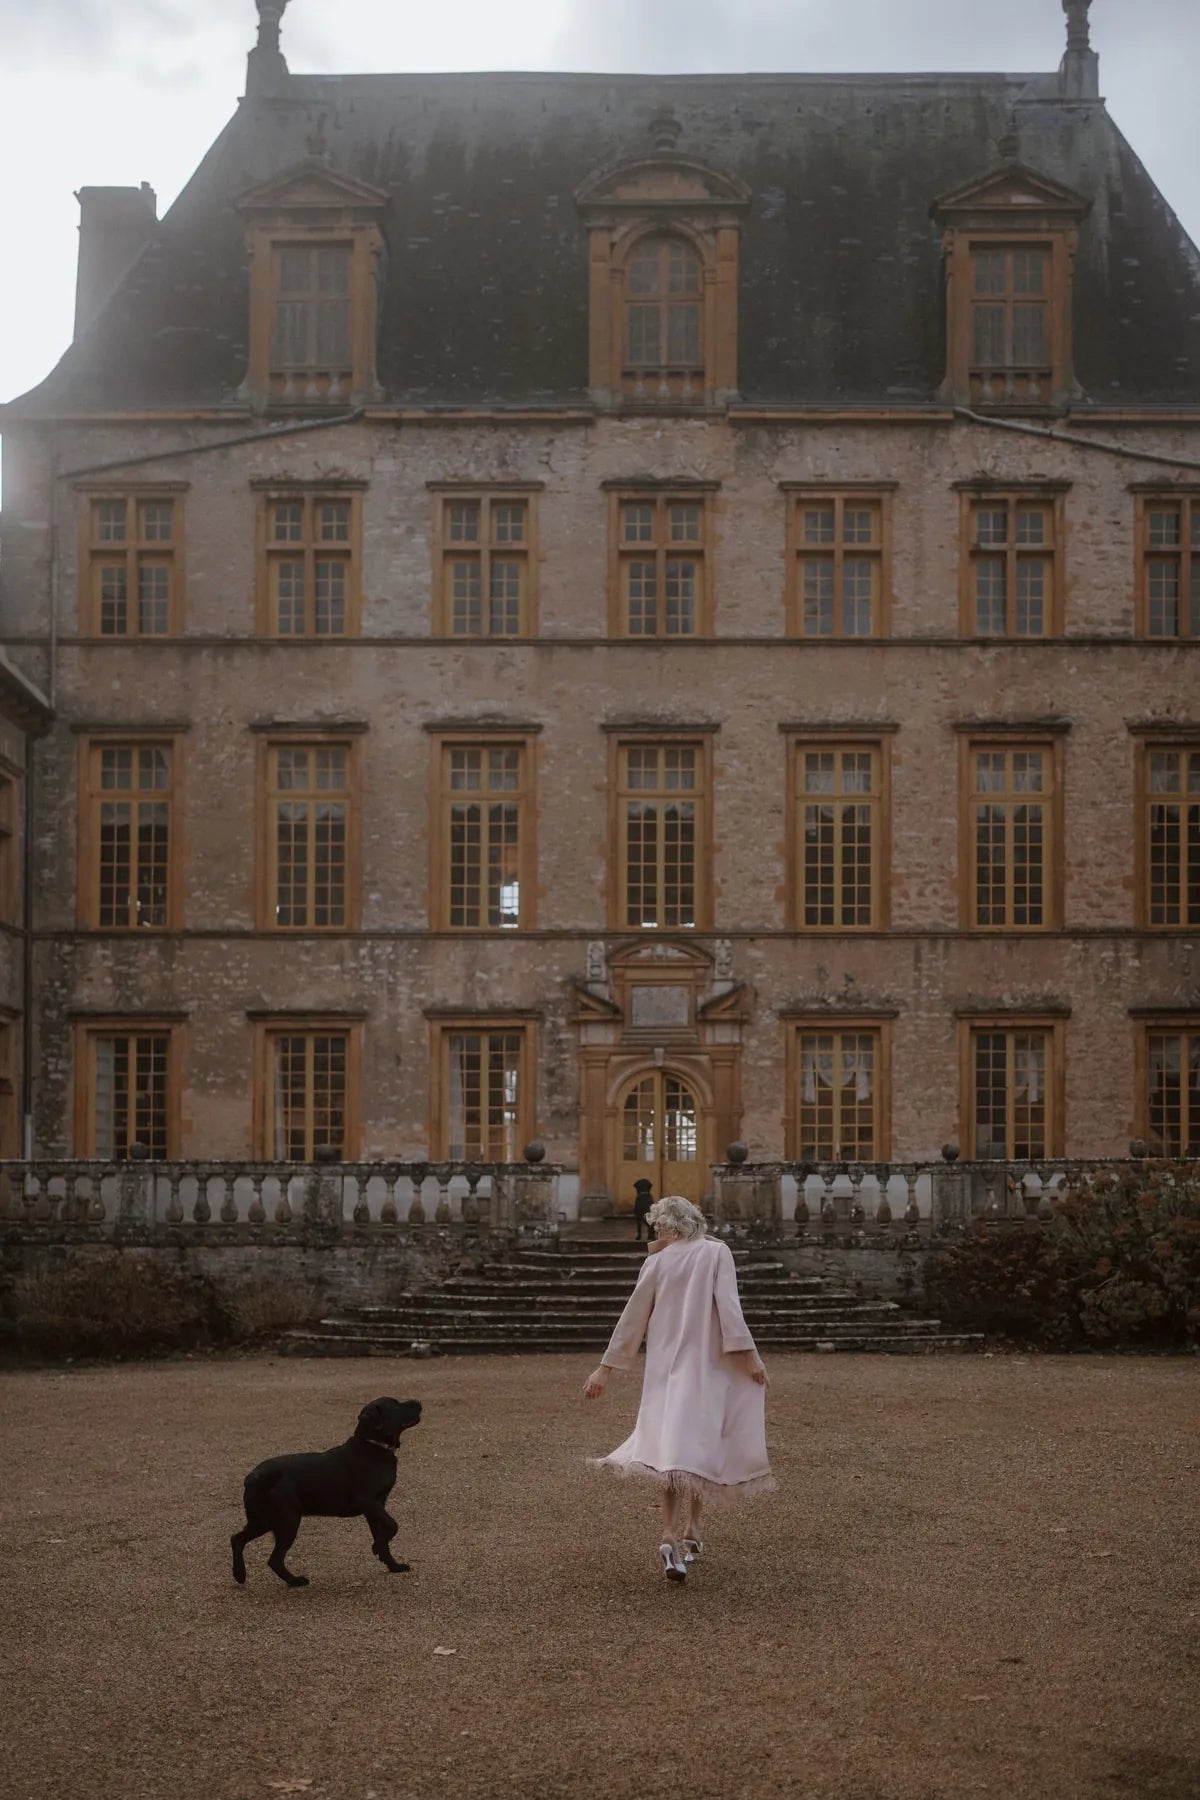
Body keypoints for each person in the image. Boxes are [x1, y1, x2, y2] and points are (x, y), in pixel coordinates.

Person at [583, 1194, 774, 1582]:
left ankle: (679, 1533)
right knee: (698, 1447)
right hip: (706, 1368)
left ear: (672, 1226)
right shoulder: (716, 1254)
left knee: (673, 1453)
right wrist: (751, 1358)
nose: (658, 1233)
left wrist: (605, 1368)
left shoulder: (656, 1262)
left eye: (660, 1226)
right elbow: (730, 1309)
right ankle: (686, 1531)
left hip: (665, 1373)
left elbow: (632, 1319)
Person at [632, 1177, 654, 1242]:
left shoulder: (638, 1197)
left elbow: (636, 1208)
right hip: (648, 1203)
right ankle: (651, 1235)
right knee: (650, 1221)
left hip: (640, 1204)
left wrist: (635, 1211)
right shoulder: (649, 1197)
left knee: (639, 1220)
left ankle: (639, 1235)